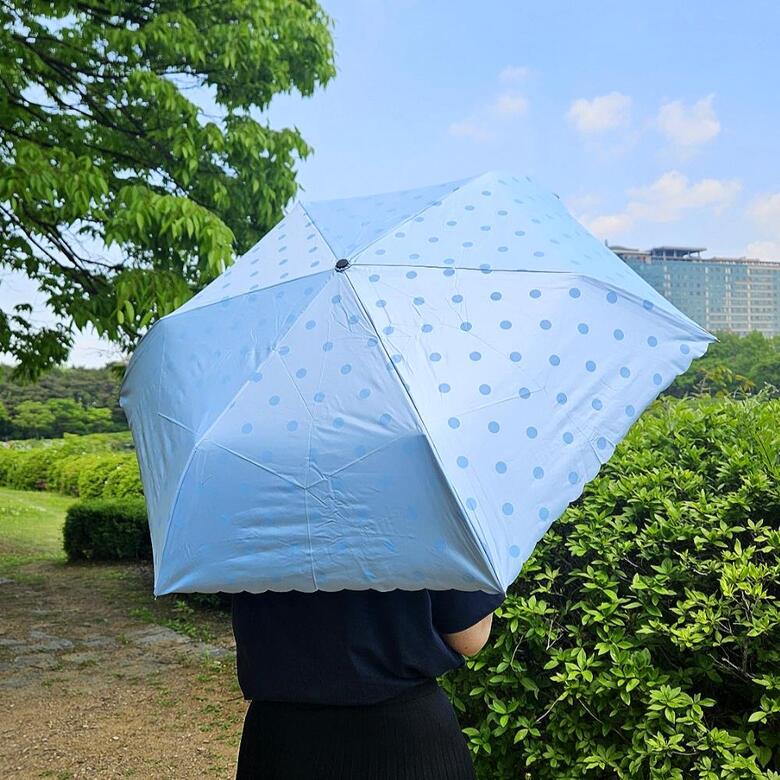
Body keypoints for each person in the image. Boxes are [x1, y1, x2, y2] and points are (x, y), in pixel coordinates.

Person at [232, 587, 506, 779]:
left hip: (281, 743)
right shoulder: (426, 516)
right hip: (407, 746)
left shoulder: (251, 519)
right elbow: (470, 637)